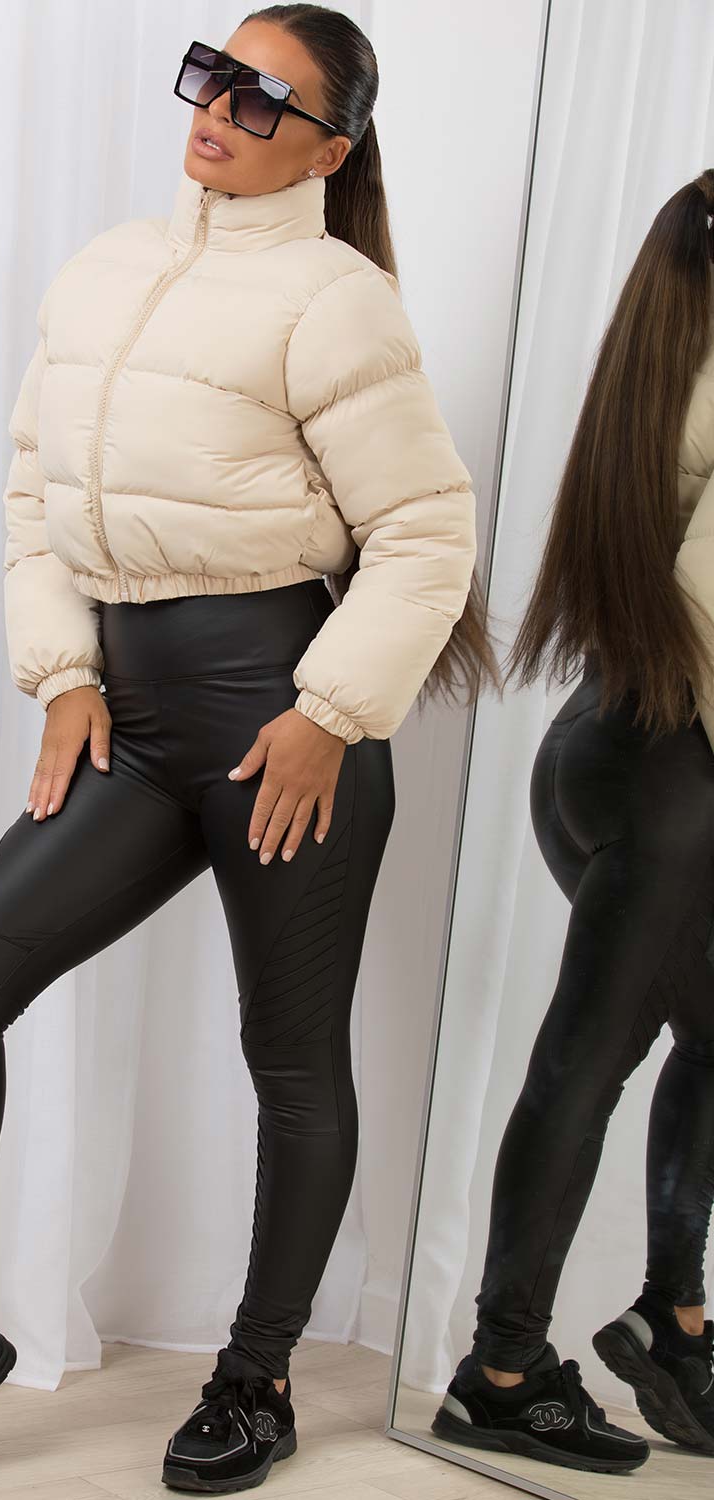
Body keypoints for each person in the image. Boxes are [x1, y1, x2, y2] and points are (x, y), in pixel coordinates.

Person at [0, 7, 494, 1494]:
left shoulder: (339, 301)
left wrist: (330, 715)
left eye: (265, 99)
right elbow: (33, 491)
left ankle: (257, 1377)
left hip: (284, 717)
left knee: (292, 1058)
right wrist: (64, 673)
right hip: (131, 727)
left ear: (328, 149)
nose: (218, 109)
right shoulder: (107, 267)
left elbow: (424, 532)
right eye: (214, 75)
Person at [433, 167, 714, 1477]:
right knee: (588, 1059)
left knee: (665, 1040)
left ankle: (672, 1318)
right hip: (676, 777)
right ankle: (502, 1372)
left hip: (600, 747)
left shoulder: (662, 353)